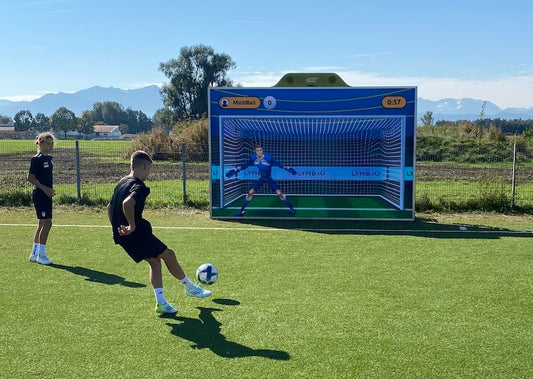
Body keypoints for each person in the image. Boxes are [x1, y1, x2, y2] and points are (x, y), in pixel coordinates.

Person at [108, 150, 211, 316]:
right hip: (136, 233)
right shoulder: (139, 186)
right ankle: (191, 288)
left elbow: (109, 207)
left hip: (122, 235)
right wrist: (131, 225)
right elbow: (128, 203)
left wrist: (117, 228)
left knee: (155, 262)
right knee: (169, 255)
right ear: (144, 166)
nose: (148, 173)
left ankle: (161, 303)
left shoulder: (121, 182)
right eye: (149, 170)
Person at [226, 144, 297, 217]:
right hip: (261, 179)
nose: (259, 152)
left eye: (260, 150)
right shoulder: (253, 159)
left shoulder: (268, 158)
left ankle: (291, 208)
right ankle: (241, 211)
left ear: (262, 151)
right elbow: (245, 166)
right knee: (250, 193)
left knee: (279, 194)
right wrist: (236, 170)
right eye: (257, 150)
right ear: (255, 152)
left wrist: (287, 168)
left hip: (269, 179)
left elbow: (278, 164)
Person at [28, 133, 56, 265]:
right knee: (47, 223)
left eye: (52, 143)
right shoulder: (36, 159)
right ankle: (41, 255)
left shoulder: (49, 158)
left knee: (41, 224)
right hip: (40, 195)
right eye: (48, 144)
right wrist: (44, 189)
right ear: (40, 144)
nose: (50, 146)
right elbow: (30, 178)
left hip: (47, 194)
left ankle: (34, 253)